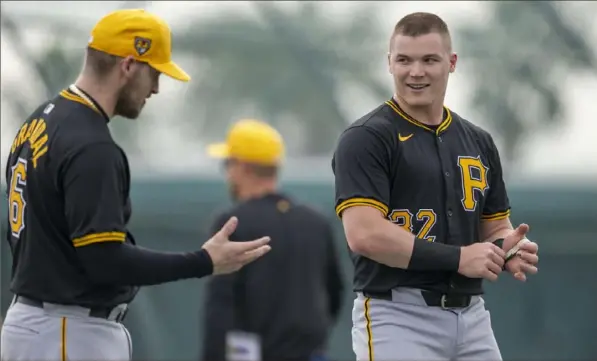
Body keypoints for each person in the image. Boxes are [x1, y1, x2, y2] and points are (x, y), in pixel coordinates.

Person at [1, 9, 271, 361]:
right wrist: (202, 261)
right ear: (128, 66)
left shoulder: (37, 122)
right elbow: (104, 260)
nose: (157, 88)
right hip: (67, 330)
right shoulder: (91, 144)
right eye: (154, 73)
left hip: (39, 323)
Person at [331, 12, 540, 361]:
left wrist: (509, 249)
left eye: (429, 59)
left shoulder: (478, 141)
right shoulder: (366, 137)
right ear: (389, 63)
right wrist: (459, 258)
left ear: (452, 62)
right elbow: (364, 235)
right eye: (404, 60)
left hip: (472, 315)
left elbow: (494, 228)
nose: (416, 71)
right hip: (397, 315)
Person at [201, 119, 345, 361]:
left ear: (243, 167)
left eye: (228, 163)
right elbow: (335, 293)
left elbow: (221, 308)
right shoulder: (315, 222)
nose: (228, 173)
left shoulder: (232, 223)